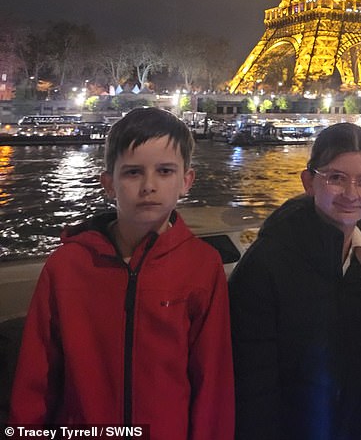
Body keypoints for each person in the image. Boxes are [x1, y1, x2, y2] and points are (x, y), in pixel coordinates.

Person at [9, 107, 234, 440]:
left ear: (186, 181)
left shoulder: (202, 266)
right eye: (132, 173)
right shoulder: (66, 266)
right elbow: (36, 376)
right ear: (108, 184)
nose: (148, 186)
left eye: (165, 171)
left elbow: (212, 382)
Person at [228, 122, 361, 440]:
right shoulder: (266, 265)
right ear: (308, 181)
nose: (351, 194)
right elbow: (253, 384)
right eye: (335, 178)